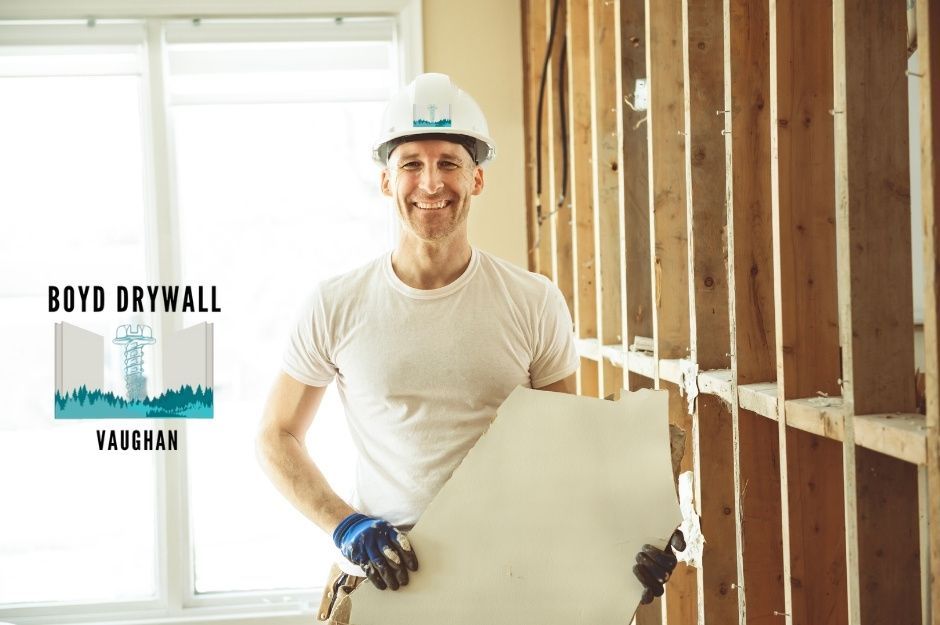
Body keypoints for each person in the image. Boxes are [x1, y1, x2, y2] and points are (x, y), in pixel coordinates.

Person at [256, 72, 680, 623]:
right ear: (386, 181)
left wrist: (622, 551)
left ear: (477, 179)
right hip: (388, 580)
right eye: (411, 163)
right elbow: (276, 435)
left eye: (449, 163)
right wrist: (345, 524)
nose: (431, 183)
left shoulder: (532, 302)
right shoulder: (336, 305)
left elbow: (567, 457)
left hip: (511, 577)